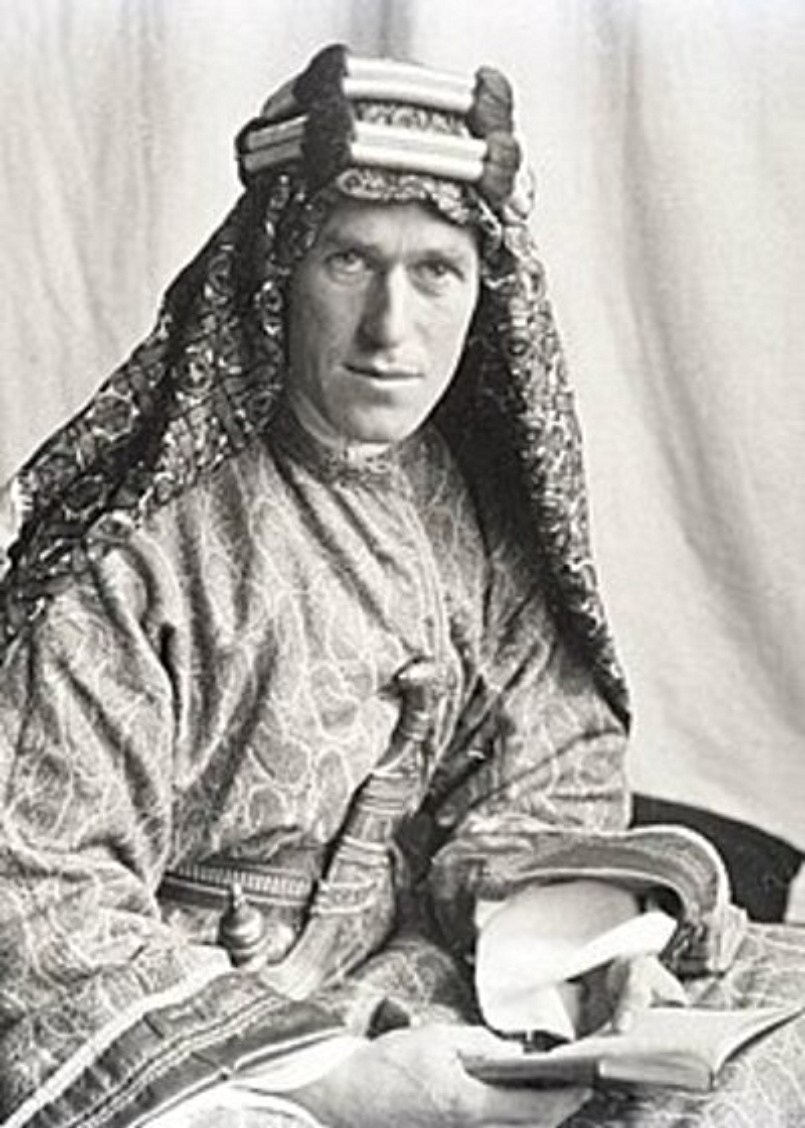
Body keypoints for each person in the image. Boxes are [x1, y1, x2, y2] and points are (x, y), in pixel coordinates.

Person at [0, 44, 803, 1128]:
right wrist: (341, 1079)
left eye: (435, 271)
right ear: (278, 275)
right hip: (206, 1032)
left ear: (482, 292)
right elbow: (37, 890)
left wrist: (589, 959)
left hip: (403, 972)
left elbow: (541, 775)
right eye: (349, 260)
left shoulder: (470, 511)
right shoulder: (137, 547)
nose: (391, 328)